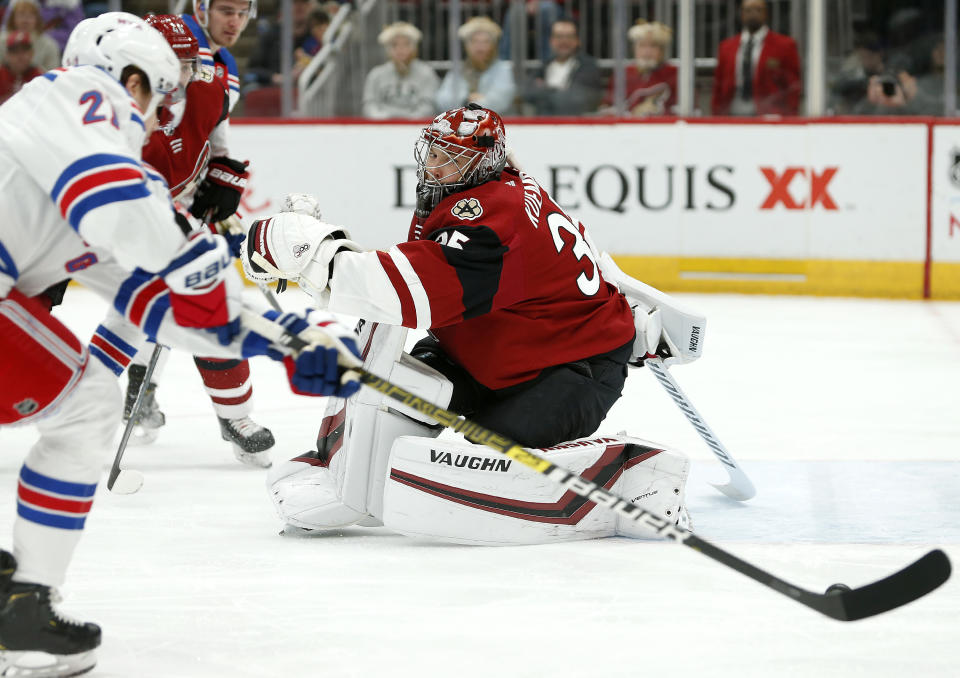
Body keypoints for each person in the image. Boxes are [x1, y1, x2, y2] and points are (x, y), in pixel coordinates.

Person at [0, 17, 361, 675]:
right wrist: (198, 258)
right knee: (86, 405)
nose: (156, 118)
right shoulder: (83, 100)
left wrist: (279, 339)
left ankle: (21, 602)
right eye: (158, 98)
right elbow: (130, 214)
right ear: (132, 78)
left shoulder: (60, 151)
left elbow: (149, 296)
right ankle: (23, 612)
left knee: (85, 403)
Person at [242, 104, 703, 545]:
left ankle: (632, 477)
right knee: (394, 388)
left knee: (484, 464)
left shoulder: (490, 220)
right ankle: (349, 473)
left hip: (569, 369)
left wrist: (315, 257)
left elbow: (407, 293)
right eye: (435, 152)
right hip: (490, 345)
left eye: (452, 158)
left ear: (482, 165)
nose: (436, 166)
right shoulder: (490, 186)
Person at [88, 13, 277, 466]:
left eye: (190, 63)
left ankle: (231, 414)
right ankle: (98, 405)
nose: (183, 74)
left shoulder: (208, 87)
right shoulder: (114, 105)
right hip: (128, 220)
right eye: (174, 63)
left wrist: (224, 182)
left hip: (184, 212)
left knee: (207, 308)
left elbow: (220, 143)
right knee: (138, 313)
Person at [710, 0, 801, 116]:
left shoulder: (785, 46)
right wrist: (716, 115)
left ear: (766, 13)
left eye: (758, 9)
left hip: (771, 113)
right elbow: (718, 86)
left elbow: (792, 86)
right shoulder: (726, 47)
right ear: (741, 14)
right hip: (732, 111)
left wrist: (790, 117)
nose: (753, 14)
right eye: (748, 10)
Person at [436, 16, 515, 115]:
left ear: (493, 46)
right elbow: (442, 100)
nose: (480, 47)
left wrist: (466, 104)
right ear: (467, 45)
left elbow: (499, 102)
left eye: (485, 42)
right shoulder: (458, 70)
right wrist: (466, 99)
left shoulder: (503, 69)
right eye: (475, 41)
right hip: (462, 126)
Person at [524, 18, 602, 116]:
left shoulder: (588, 66)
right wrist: (561, 91)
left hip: (576, 126)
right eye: (559, 36)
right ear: (551, 40)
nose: (564, 41)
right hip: (543, 126)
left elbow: (576, 101)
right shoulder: (545, 65)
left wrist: (544, 89)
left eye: (569, 36)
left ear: (577, 41)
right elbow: (527, 93)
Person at [362, 21, 439, 120]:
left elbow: (429, 106)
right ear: (388, 49)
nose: (400, 49)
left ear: (414, 48)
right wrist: (382, 121)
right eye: (395, 45)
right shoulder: (376, 74)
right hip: (382, 129)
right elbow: (369, 104)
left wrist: (409, 122)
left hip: (416, 129)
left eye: (406, 44)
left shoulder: (427, 74)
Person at [602, 20, 676, 116]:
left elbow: (684, 111)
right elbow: (607, 108)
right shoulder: (623, 74)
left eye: (653, 46)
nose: (647, 52)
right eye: (642, 46)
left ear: (662, 50)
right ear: (634, 49)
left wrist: (657, 111)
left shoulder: (674, 74)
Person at [244, 0, 316, 88]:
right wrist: (275, 77)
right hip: (274, 89)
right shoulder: (271, 34)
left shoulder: (317, 35)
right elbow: (252, 69)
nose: (299, 6)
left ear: (311, 6)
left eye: (304, 2)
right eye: (294, 2)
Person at [0, 0, 60, 71]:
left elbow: (53, 74)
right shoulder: (2, 41)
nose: (25, 20)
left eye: (30, 16)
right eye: (21, 15)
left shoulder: (49, 45)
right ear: (13, 18)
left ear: (37, 19)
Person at [0, 30, 42, 104]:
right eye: (15, 52)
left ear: (32, 53)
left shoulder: (38, 76)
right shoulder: (1, 74)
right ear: (7, 55)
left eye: (24, 51)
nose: (20, 56)